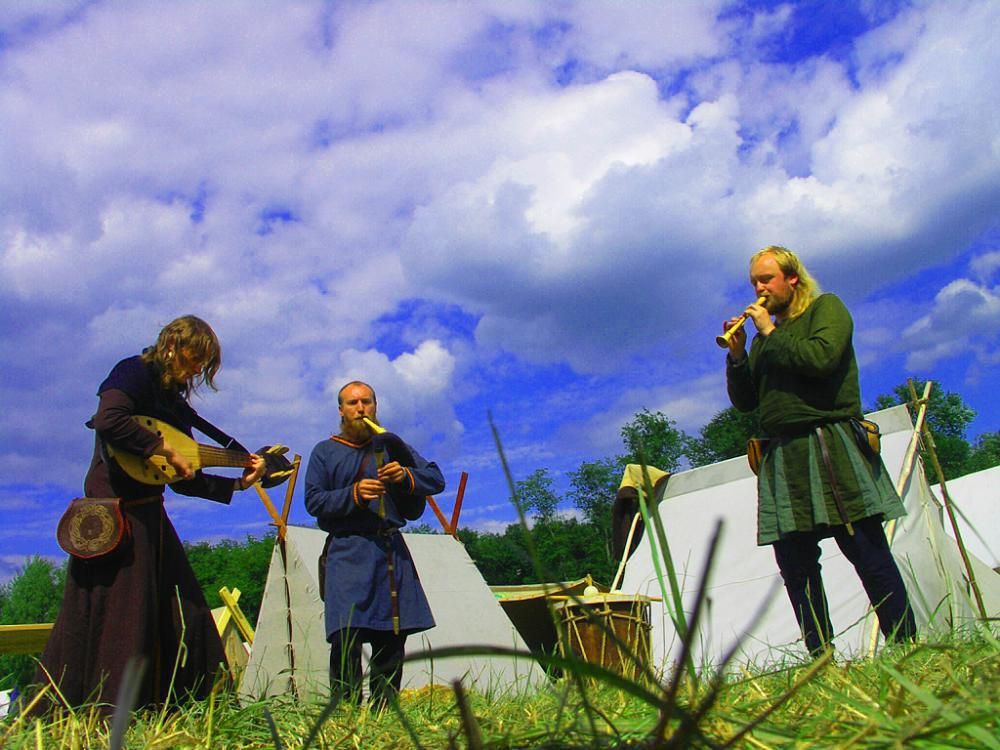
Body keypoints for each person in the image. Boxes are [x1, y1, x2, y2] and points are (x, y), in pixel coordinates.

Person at [33, 315, 267, 713]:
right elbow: (109, 419)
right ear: (172, 345)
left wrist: (240, 483)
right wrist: (162, 447)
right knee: (121, 618)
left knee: (186, 610)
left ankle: (190, 710)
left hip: (150, 516)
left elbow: (182, 478)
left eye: (202, 366)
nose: (195, 371)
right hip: (113, 516)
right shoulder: (133, 372)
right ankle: (103, 712)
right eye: (193, 359)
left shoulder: (173, 403)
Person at [723, 246, 917, 656]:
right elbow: (746, 402)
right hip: (782, 454)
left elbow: (821, 359)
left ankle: (906, 646)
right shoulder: (762, 342)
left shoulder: (827, 309)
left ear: (792, 278)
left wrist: (770, 333)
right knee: (795, 565)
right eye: (754, 282)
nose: (759, 288)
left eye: (766, 279)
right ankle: (819, 658)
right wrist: (738, 356)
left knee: (865, 550)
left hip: (829, 443)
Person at [304, 381, 444, 708]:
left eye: (366, 401)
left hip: (390, 552)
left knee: (392, 639)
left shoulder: (392, 446)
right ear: (341, 410)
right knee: (346, 636)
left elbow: (436, 479)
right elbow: (314, 501)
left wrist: (404, 476)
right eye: (352, 403)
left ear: (375, 406)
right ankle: (347, 712)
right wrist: (354, 493)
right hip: (347, 551)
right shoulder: (324, 452)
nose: (360, 408)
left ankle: (384, 713)